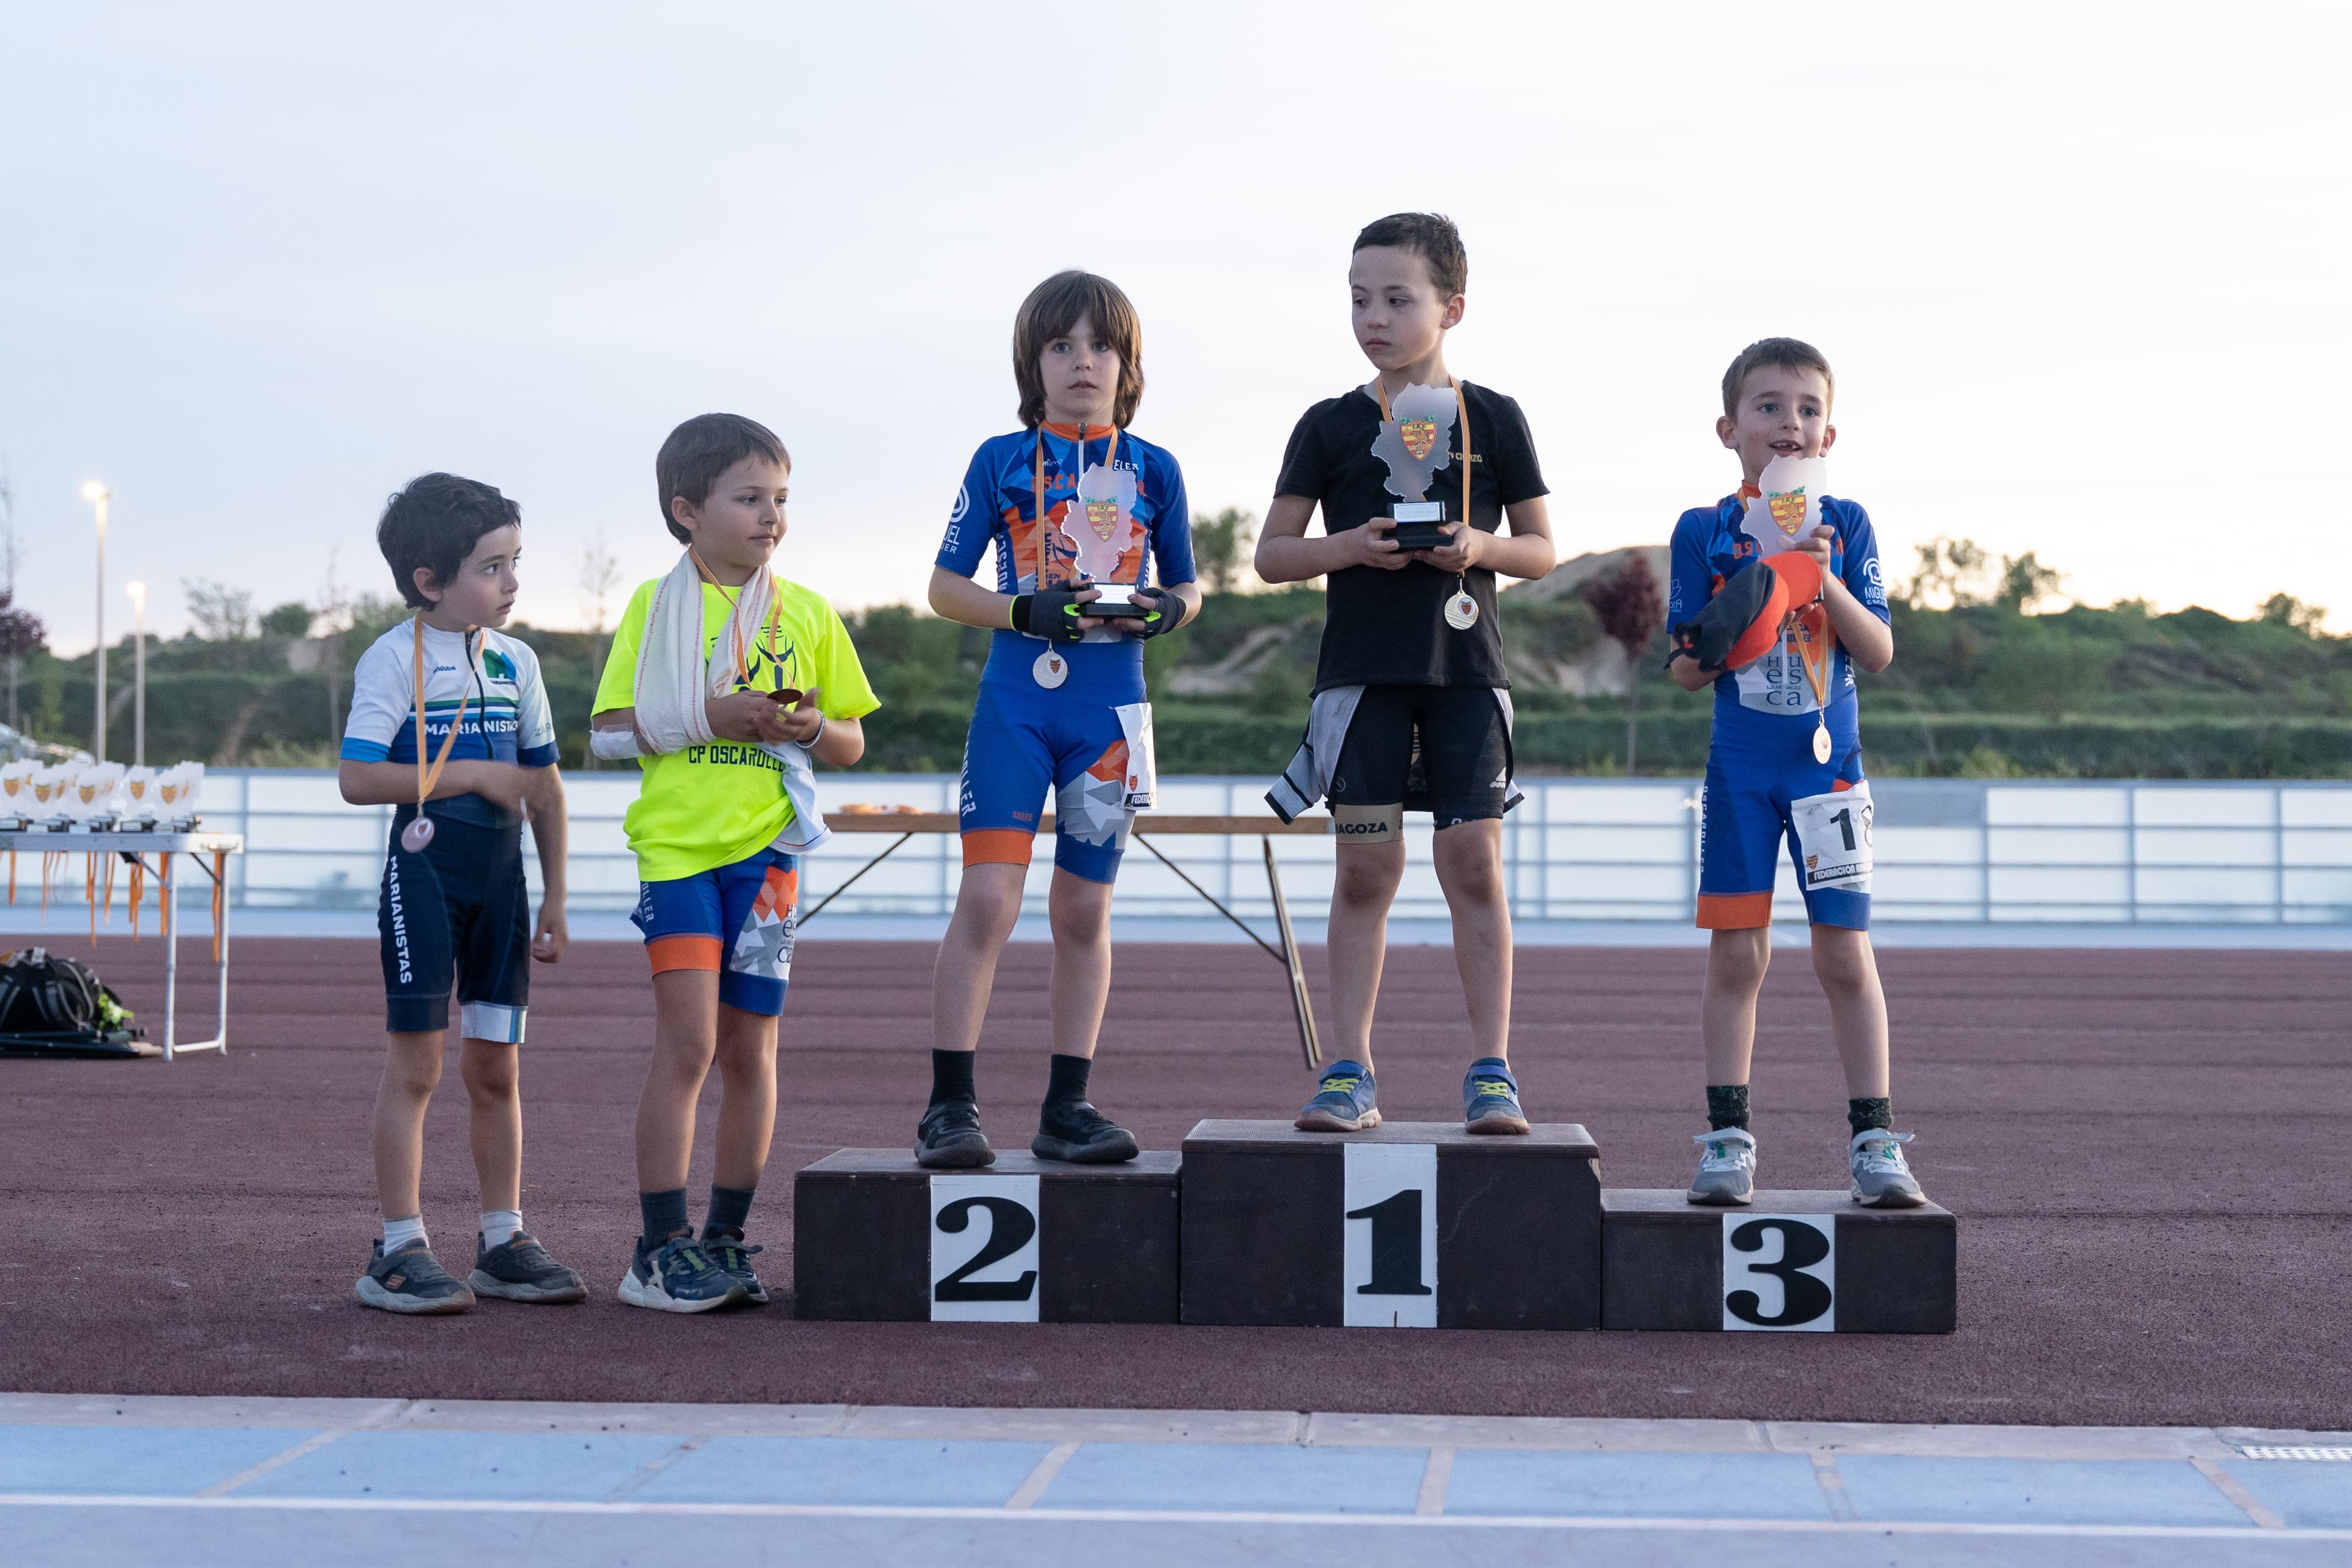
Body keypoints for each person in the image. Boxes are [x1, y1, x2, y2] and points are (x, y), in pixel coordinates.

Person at [1258, 212, 1555, 1135]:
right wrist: (1347, 547)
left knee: (1473, 863)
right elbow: (1273, 555)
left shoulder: (1496, 417)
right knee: (1366, 871)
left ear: (1452, 307)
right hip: (1361, 679)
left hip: (1466, 673)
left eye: (1396, 298)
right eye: (1358, 299)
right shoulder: (1330, 424)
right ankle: (1348, 1070)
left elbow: (1543, 550)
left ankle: (1493, 1071)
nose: (1372, 316)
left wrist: (1479, 545)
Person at [589, 413, 877, 1309]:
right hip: (676, 853)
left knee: (754, 1049)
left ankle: (725, 1238)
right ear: (687, 511)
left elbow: (851, 743)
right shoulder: (652, 604)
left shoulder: (811, 613)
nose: (771, 517)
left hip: (770, 857)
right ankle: (657, 1246)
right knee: (690, 1043)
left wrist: (807, 725)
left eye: (781, 499)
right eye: (749, 498)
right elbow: (603, 737)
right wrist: (713, 718)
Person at [917, 270, 1199, 1169]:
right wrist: (1023, 611)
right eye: (1061, 345)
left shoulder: (1155, 468)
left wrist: (1164, 611)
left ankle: (1068, 1107)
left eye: (1102, 345)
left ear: (1129, 365)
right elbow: (943, 589)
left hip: (1112, 713)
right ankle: (949, 1108)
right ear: (1031, 364)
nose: (1084, 361)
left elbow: (1189, 586)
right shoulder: (999, 457)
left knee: (1083, 908)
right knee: (990, 899)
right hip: (1017, 701)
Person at [1664, 336, 1925, 1208]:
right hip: (1741, 770)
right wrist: (1743, 608)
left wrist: (1820, 580)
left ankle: (1876, 1143)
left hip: (1830, 771)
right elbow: (1686, 668)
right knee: (1738, 954)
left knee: (1845, 955)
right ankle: (1729, 1141)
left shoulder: (1846, 524)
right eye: (1770, 406)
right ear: (1729, 428)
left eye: (1808, 408)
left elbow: (1879, 652)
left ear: (1830, 435)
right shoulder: (1703, 530)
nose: (1790, 422)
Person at [339, 472, 585, 1313]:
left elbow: (546, 788)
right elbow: (357, 778)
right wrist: (471, 773)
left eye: (515, 562)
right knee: (419, 1064)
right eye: (492, 568)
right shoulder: (389, 659)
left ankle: (502, 1239)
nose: (511, 583)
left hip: (503, 890)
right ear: (429, 582)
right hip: (425, 878)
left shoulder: (518, 662)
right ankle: (399, 1246)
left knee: (498, 1066)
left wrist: (555, 895)